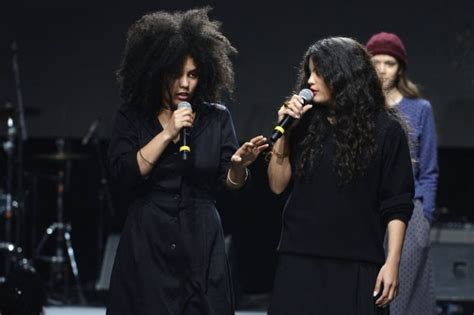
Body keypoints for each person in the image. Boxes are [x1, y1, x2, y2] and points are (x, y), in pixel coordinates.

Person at [106, 8, 268, 315]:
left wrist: (237, 167)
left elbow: (229, 183)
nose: (184, 83)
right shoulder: (133, 116)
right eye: (176, 74)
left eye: (192, 75)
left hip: (201, 236)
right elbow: (125, 173)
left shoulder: (216, 117)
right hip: (148, 236)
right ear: (155, 72)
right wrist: (168, 132)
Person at [266, 37, 415, 314]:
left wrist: (392, 263)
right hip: (300, 258)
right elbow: (277, 186)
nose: (310, 80)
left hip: (356, 263)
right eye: (309, 72)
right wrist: (283, 133)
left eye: (319, 72)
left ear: (344, 74)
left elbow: (397, 203)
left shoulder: (386, 130)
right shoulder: (304, 123)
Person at [366, 31, 438, 315]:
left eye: (390, 62)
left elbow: (429, 170)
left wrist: (425, 216)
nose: (382, 69)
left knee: (401, 295)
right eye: (376, 61)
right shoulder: (363, 108)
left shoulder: (419, 109)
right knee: (368, 288)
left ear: (400, 68)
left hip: (409, 211)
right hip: (368, 208)